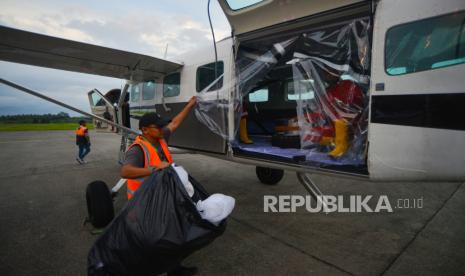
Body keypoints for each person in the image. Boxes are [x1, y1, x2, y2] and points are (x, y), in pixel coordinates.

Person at [120, 96, 197, 276]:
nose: (163, 128)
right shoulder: (137, 149)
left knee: (172, 233)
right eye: (158, 126)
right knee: (156, 239)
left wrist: (190, 105)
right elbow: (125, 171)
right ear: (145, 130)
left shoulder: (161, 138)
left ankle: (174, 269)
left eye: (163, 125)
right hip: (144, 203)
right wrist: (154, 168)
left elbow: (176, 122)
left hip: (163, 197)